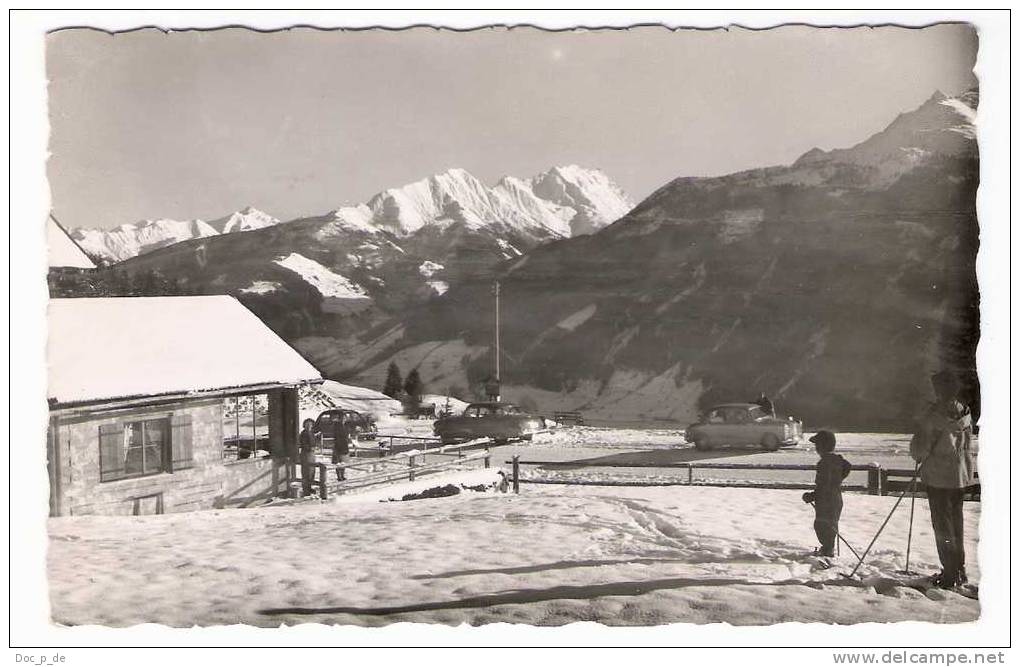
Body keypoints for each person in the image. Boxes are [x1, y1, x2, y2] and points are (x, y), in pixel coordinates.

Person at [909, 371, 975, 589]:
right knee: (956, 523)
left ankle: (949, 573)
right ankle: (959, 569)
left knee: (942, 526)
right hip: (960, 477)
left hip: (938, 477)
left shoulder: (933, 416)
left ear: (940, 389)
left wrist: (917, 449)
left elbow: (921, 449)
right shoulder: (965, 412)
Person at [802, 430, 852, 557]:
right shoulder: (836, 460)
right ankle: (828, 548)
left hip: (826, 500)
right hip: (835, 498)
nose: (816, 449)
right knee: (829, 524)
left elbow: (824, 485)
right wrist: (838, 480)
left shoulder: (824, 463)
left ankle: (828, 550)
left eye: (817, 445)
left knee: (822, 524)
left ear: (823, 446)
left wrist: (812, 496)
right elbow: (847, 466)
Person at [298, 418, 318, 497]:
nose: (309, 426)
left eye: (310, 424)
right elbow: (302, 443)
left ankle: (309, 487)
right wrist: (309, 448)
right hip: (306, 454)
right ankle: (306, 490)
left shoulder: (311, 433)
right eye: (307, 424)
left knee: (312, 471)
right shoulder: (303, 433)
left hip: (312, 454)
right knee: (306, 472)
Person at [331, 414, 350, 482]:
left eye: (344, 418)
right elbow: (336, 436)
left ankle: (342, 475)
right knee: (338, 461)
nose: (343, 419)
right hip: (338, 445)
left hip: (344, 445)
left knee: (343, 461)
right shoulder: (337, 426)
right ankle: (339, 476)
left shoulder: (345, 426)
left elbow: (347, 435)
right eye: (342, 418)